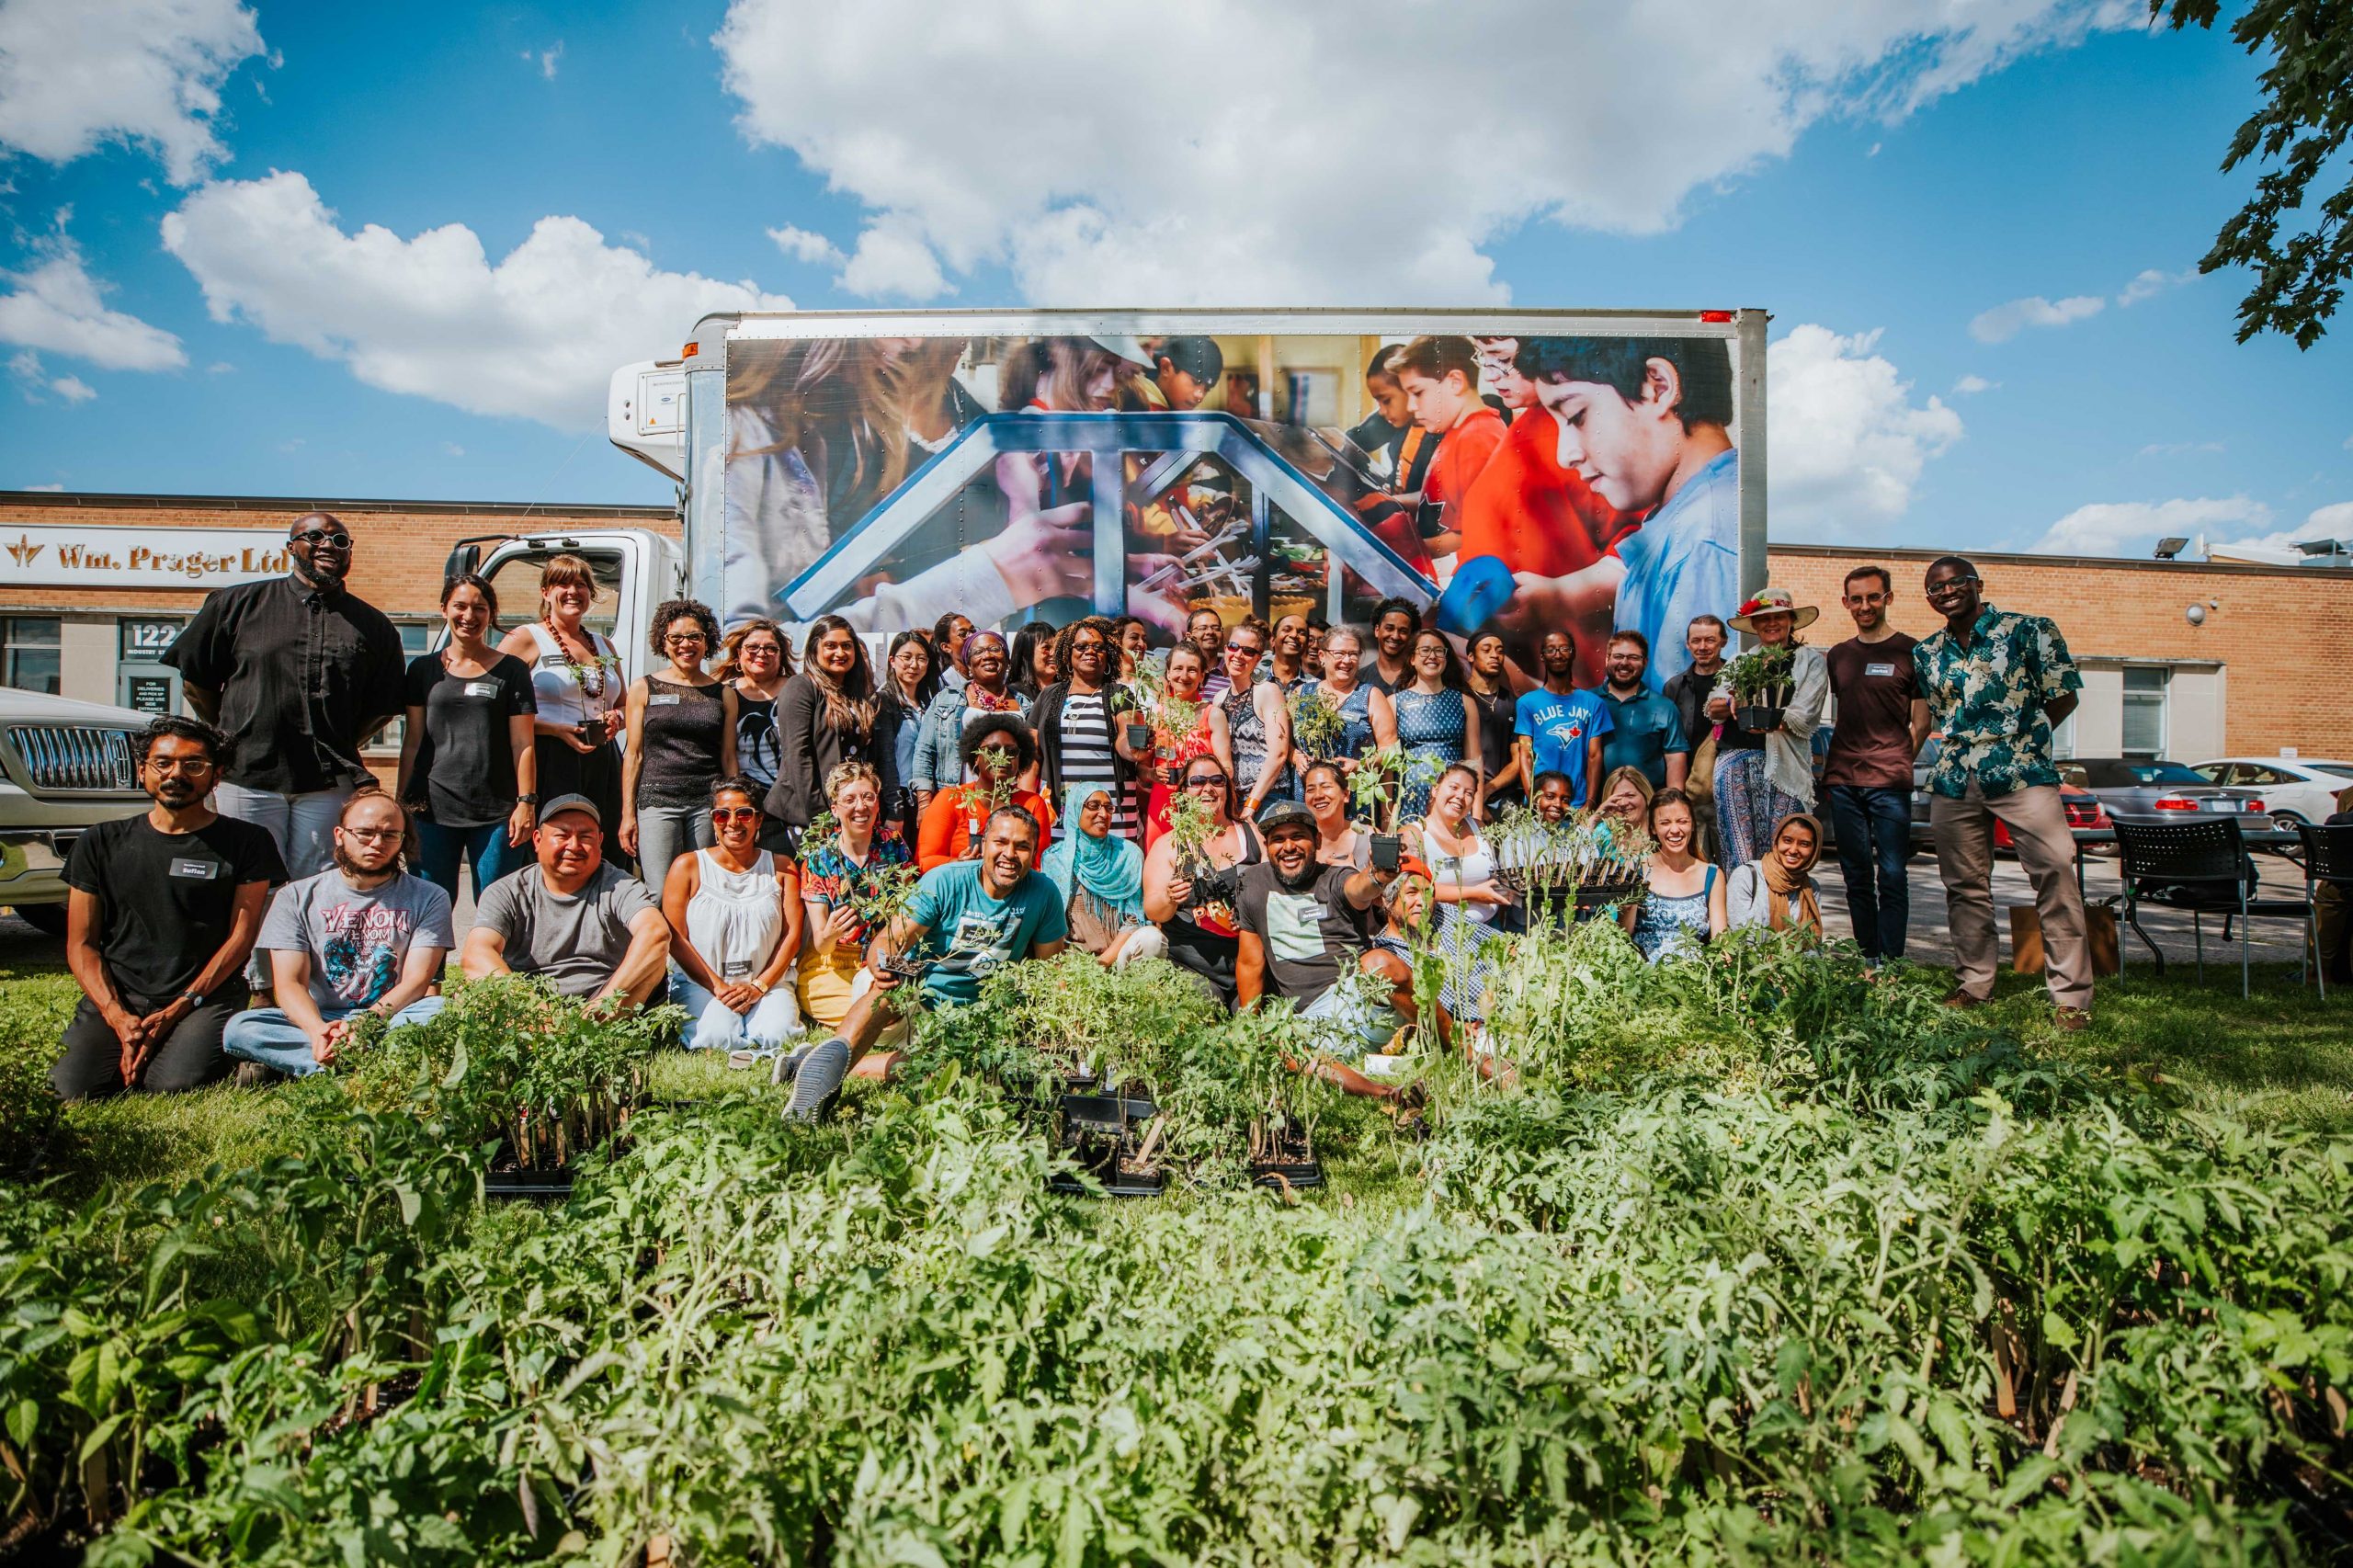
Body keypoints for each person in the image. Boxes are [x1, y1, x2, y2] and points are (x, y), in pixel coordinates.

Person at [161, 511, 404, 880]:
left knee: (319, 883)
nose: (329, 546)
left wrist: (338, 740)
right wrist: (230, 737)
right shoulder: (237, 604)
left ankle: (302, 942)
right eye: (316, 537)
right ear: (292, 547)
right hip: (248, 775)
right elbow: (197, 681)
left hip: (327, 783)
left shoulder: (374, 626)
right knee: (250, 879)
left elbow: (383, 707)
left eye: (340, 541)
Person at [784, 807, 1067, 1121]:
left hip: (977, 1016)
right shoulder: (946, 881)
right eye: (1000, 842)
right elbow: (891, 939)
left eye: (1022, 846)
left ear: (1034, 851)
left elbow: (1051, 971)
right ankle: (825, 1082)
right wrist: (883, 963)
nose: (1009, 854)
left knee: (949, 1068)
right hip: (918, 1002)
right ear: (983, 843)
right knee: (886, 991)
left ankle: (811, 1064)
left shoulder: (1044, 894)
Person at [53, 718, 286, 1099]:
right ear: (143, 769)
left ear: (216, 776)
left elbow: (241, 938)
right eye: (163, 763)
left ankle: (241, 1051)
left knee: (172, 1085)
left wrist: (181, 1006)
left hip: (204, 996)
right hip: (122, 992)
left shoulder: (247, 842)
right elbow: (82, 945)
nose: (176, 773)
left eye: (194, 764)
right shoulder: (99, 841)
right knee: (71, 1090)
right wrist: (116, 1014)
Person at [1914, 556, 2091, 1026]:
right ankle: (1975, 983)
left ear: (1977, 585)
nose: (1946, 592)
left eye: (1955, 583)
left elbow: (2064, 694)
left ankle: (2071, 997)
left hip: (2022, 775)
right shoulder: (1927, 652)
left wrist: (2020, 742)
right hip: (1954, 778)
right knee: (1964, 887)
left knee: (2055, 873)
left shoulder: (2029, 630)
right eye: (1935, 588)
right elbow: (1940, 713)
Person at [1504, 337, 1740, 689]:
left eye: (1576, 416)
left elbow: (1667, 722)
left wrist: (1515, 685)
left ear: (1657, 387)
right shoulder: (1681, 524)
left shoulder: (1704, 542)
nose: (1565, 455)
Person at [222, 791, 453, 1079]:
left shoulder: (430, 896)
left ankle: (321, 1064)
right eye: (365, 833)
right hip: (320, 1018)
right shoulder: (295, 896)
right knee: (240, 1028)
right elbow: (289, 983)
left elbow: (418, 981)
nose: (378, 843)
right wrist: (318, 1030)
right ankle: (371, 1065)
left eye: (391, 835)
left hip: (393, 1017)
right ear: (340, 834)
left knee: (440, 1013)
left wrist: (365, 1025)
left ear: (403, 840)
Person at [1454, 339, 1631, 684]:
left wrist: (1559, 597)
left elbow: (1636, 545)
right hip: (1512, 660)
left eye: (1503, 360)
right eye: (1483, 358)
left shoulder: (1579, 437)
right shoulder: (1528, 426)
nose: (1491, 376)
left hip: (1567, 666)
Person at [395, 573, 539, 903]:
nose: (469, 616)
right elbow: (413, 742)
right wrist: (400, 805)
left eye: (480, 608)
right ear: (444, 608)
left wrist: (526, 803)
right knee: (429, 907)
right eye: (460, 606)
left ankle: (491, 958)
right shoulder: (422, 670)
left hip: (496, 812)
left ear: (491, 614)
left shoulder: (512, 670)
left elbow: (523, 743)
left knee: (499, 907)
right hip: (430, 809)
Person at [460, 794, 670, 1007]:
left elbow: (655, 933)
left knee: (654, 963)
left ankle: (598, 1033)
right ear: (537, 841)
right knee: (475, 980)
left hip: (610, 999)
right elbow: (477, 951)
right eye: (562, 836)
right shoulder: (506, 891)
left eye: (586, 837)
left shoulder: (621, 886)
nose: (574, 845)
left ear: (600, 842)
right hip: (530, 1000)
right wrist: (531, 1006)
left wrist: (602, 1003)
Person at [1823, 566, 1929, 964]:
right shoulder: (1838, 655)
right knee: (1855, 876)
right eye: (1857, 599)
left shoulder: (1911, 652)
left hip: (1890, 784)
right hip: (1844, 779)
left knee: (1893, 875)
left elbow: (1922, 722)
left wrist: (1897, 758)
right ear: (1846, 602)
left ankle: (1892, 960)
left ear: (1888, 597)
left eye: (1873, 597)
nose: (1864, 606)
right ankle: (1868, 957)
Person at [660, 778, 805, 1057]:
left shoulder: (782, 867)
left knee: (780, 1036)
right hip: (703, 982)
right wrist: (719, 987)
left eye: (744, 814)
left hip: (768, 982)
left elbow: (792, 936)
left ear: (759, 819)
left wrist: (759, 986)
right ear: (713, 820)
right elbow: (676, 940)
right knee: (716, 1037)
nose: (733, 823)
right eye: (722, 814)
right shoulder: (687, 867)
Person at [498, 554, 629, 856]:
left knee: (602, 844)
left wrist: (615, 717)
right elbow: (496, 706)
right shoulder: (525, 638)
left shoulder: (604, 644)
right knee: (556, 846)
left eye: (581, 584)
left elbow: (624, 704)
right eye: (562, 583)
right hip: (548, 759)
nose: (573, 591)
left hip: (602, 758)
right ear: (546, 592)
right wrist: (553, 730)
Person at [1706, 588, 1828, 869]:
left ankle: (1778, 910)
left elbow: (1804, 715)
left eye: (1779, 617)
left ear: (1791, 620)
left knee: (1783, 848)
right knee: (1739, 849)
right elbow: (1714, 707)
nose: (1771, 623)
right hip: (1735, 761)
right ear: (1755, 625)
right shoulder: (1740, 662)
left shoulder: (1810, 662)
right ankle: (1741, 910)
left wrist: (1768, 717)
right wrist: (1732, 700)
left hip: (1786, 765)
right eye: (1763, 618)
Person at [621, 598, 739, 884]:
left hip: (706, 802)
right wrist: (627, 814)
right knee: (660, 890)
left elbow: (728, 757)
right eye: (676, 637)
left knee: (704, 886)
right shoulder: (643, 688)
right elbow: (634, 755)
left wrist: (733, 806)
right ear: (663, 642)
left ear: (706, 640)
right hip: (656, 801)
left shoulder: (723, 694)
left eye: (694, 637)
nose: (685, 644)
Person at [795, 761, 914, 1034]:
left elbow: (909, 908)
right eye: (849, 799)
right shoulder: (819, 860)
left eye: (868, 797)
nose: (860, 807)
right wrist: (832, 932)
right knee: (876, 1013)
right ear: (835, 809)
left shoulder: (893, 845)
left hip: (884, 956)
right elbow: (821, 944)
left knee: (892, 1005)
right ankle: (869, 1024)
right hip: (835, 963)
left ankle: (866, 1024)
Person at [1142, 756, 1264, 1006]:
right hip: (1194, 968)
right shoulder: (1169, 844)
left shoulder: (1253, 835)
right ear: (1183, 792)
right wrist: (1169, 898)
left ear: (1227, 790)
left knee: (1253, 1028)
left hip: (1250, 961)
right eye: (1197, 782)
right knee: (1205, 1010)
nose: (1207, 788)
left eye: (1216, 781)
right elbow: (1153, 909)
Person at [768, 615, 892, 833]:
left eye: (846, 646)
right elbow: (798, 756)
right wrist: (820, 818)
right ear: (815, 650)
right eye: (830, 646)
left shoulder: (859, 694)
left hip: (849, 812)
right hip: (806, 816)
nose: (840, 653)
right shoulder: (801, 687)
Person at [1390, 335, 1506, 565]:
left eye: (1418, 392)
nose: (1411, 406)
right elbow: (1443, 500)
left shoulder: (1478, 438)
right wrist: (1390, 502)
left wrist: (1401, 550)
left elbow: (1473, 537)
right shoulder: (1458, 433)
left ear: (1455, 382)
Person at [1412, 762, 1507, 1023]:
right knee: (1462, 1012)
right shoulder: (1414, 834)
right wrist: (1473, 893)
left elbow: (1498, 872)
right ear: (1435, 790)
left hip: (1491, 933)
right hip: (1443, 940)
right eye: (1453, 787)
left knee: (1496, 1007)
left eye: (1468, 793)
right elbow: (1414, 889)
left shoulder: (1481, 828)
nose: (1460, 797)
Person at [1031, 618, 1142, 841]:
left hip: (1111, 814)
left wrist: (1135, 748)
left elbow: (1125, 740)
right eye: (1081, 646)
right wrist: (1025, 806)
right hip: (1063, 813)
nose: (1090, 651)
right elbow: (1032, 756)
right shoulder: (1049, 696)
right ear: (1067, 653)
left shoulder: (1119, 694)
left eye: (1098, 647)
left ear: (1108, 653)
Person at [1040, 784, 1166, 967]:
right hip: (1074, 962)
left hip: (1119, 957)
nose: (1103, 814)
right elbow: (1052, 924)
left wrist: (1103, 963)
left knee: (1152, 938)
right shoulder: (1055, 859)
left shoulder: (1128, 855)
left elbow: (1134, 918)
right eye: (1093, 806)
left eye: (1108, 808)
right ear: (1076, 809)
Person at [918, 716, 1054, 871]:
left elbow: (1037, 866)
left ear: (1020, 759)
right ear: (976, 757)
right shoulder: (951, 799)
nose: (1002, 757)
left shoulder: (1032, 804)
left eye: (1011, 751)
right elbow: (925, 861)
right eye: (993, 750)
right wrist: (958, 864)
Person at [912, 629, 1022, 810]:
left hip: (1010, 805)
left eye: (995, 649)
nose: (987, 655)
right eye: (978, 652)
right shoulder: (947, 699)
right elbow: (924, 751)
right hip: (958, 803)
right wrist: (924, 805)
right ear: (969, 665)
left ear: (1007, 659)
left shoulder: (1024, 704)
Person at [1141, 643, 1234, 849]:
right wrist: (1151, 774)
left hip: (1201, 804)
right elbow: (1141, 767)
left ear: (1202, 676)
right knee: (1161, 865)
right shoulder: (1154, 714)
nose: (1184, 675)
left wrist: (1205, 783)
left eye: (1192, 670)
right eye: (1178, 668)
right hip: (1163, 803)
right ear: (1167, 673)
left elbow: (1227, 768)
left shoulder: (1213, 715)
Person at [1621, 788, 1725, 961]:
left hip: (1693, 978)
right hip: (1643, 976)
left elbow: (1721, 942)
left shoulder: (1712, 875)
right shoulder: (1636, 869)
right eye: (1665, 823)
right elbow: (1623, 934)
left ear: (1692, 825)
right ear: (1653, 828)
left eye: (1682, 821)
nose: (1675, 829)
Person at [1514, 630, 1611, 811]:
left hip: (1577, 804)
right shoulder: (1527, 703)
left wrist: (1589, 803)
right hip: (1540, 804)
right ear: (1542, 656)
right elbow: (1525, 755)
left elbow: (1595, 756)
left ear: (1573, 652)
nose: (1558, 655)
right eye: (1551, 650)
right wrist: (1532, 798)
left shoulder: (1593, 703)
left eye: (1564, 648)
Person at [1393, 630, 1482, 821]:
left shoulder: (1465, 702)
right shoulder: (1394, 702)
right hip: (1410, 798)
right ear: (1412, 659)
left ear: (1446, 658)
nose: (1432, 656)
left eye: (1438, 651)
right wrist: (1386, 813)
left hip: (1455, 800)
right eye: (1425, 650)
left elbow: (1474, 761)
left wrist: (1477, 814)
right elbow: (1388, 762)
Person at [1291, 626, 1397, 776]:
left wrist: (1361, 764)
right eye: (1339, 653)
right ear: (1322, 656)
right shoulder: (1302, 693)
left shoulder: (1371, 696)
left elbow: (1390, 750)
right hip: (1307, 792)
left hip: (1354, 791)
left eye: (1353, 654)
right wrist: (1294, 756)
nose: (1347, 660)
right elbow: (1283, 741)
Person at [717, 619, 793, 820]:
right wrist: (735, 801)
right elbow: (725, 753)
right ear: (738, 654)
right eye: (752, 647)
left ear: (781, 656)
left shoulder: (798, 690)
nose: (761, 653)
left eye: (771, 649)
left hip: (792, 799)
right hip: (746, 803)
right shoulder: (724, 693)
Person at [1597, 630, 1690, 791]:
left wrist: (1674, 804)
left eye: (1633, 657)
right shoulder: (1589, 702)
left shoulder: (1664, 707)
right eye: (1618, 656)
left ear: (1645, 662)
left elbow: (1675, 759)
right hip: (1599, 807)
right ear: (1607, 659)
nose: (1625, 663)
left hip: (1648, 805)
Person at [1219, 620, 1296, 817]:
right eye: (1234, 647)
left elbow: (1278, 754)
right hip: (1232, 800)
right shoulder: (1219, 698)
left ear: (1258, 659)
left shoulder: (1268, 691)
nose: (1238, 655)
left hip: (1268, 798)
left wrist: (1252, 804)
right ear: (1226, 649)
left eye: (1248, 651)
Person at [876, 630, 937, 845]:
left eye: (921, 659)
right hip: (896, 799)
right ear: (892, 661)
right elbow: (885, 758)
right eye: (907, 657)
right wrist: (895, 810)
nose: (914, 665)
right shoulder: (884, 701)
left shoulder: (929, 705)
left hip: (924, 798)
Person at [1727, 812, 1824, 937]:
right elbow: (1739, 935)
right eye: (1787, 840)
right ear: (1776, 841)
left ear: (1815, 850)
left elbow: (1813, 942)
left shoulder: (1811, 887)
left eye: (1804, 844)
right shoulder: (1746, 876)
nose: (1793, 850)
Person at [1463, 630, 1523, 817]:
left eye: (1499, 651)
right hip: (1464, 794)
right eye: (1486, 650)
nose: (1495, 656)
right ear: (1471, 657)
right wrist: (1476, 795)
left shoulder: (1513, 703)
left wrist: (1488, 790)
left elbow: (1518, 759)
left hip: (1504, 797)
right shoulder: (1459, 697)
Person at [1301, 760, 1372, 869]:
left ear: (1346, 795)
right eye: (1310, 790)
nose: (1318, 795)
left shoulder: (1369, 837)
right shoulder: (1298, 841)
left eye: (1326, 787)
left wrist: (1355, 876)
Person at [1143, 336, 1223, 411]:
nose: (1200, 396)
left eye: (1207, 389)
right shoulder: (1139, 407)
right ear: (1166, 368)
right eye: (1195, 382)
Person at [1363, 597, 1420, 694]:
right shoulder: (1361, 678)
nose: (1395, 636)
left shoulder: (1420, 675)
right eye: (1389, 628)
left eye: (1403, 631)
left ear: (1411, 636)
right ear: (1377, 630)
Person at [1187, 606, 1233, 701]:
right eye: (1203, 628)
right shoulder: (1180, 672)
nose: (1210, 632)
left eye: (1216, 628)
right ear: (1189, 636)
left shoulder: (1233, 671)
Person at [1009, 619, 1059, 705]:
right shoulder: (1012, 695)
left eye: (1057, 647)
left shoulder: (1069, 690)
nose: (1054, 653)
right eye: (1046, 648)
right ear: (1026, 653)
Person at [930, 612, 974, 690]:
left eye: (973, 630)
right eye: (963, 634)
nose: (971, 636)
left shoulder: (989, 669)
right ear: (946, 647)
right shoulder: (945, 683)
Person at [1113, 615, 1154, 682]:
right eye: (1134, 637)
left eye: (1144, 639)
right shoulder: (1103, 683)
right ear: (1117, 642)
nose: (1142, 644)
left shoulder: (1157, 683)